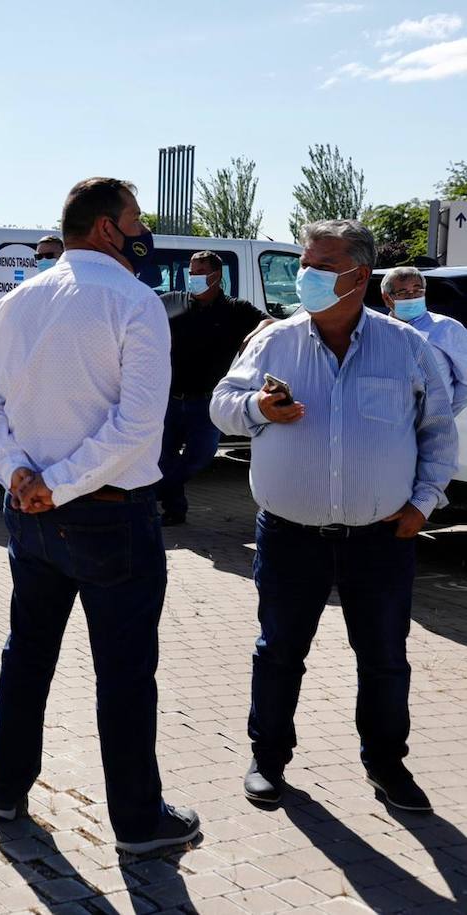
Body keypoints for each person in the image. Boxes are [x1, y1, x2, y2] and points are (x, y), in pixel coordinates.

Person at [0, 177, 199, 853]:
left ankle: (4, 788)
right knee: (124, 672)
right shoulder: (134, 301)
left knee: (27, 654)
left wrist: (21, 476)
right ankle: (137, 821)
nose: (142, 228)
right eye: (135, 217)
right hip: (107, 518)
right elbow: (137, 425)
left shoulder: (15, 305)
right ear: (106, 228)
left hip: (31, 516)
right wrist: (52, 484)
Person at [210, 219, 457, 814]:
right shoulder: (275, 340)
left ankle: (386, 763)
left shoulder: (407, 348)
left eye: (321, 266)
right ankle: (268, 758)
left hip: (380, 539)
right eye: (304, 262)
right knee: (278, 652)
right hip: (291, 537)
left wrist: (422, 503)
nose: (306, 276)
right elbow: (223, 406)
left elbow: (438, 432)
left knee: (384, 658)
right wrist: (259, 407)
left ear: (359, 275)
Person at [155, 251, 268, 525]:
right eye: (190, 272)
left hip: (207, 401)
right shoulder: (172, 301)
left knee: (201, 456)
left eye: (198, 273)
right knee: (164, 456)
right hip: (169, 398)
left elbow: (271, 323)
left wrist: (253, 334)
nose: (192, 278)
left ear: (216, 276)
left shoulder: (235, 310)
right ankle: (174, 509)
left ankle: (159, 489)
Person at [382, 266, 467, 416]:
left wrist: (444, 414)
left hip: (433, 423)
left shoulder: (446, 328)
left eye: (418, 290)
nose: (412, 296)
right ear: (387, 297)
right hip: (389, 424)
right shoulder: (377, 330)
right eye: (403, 292)